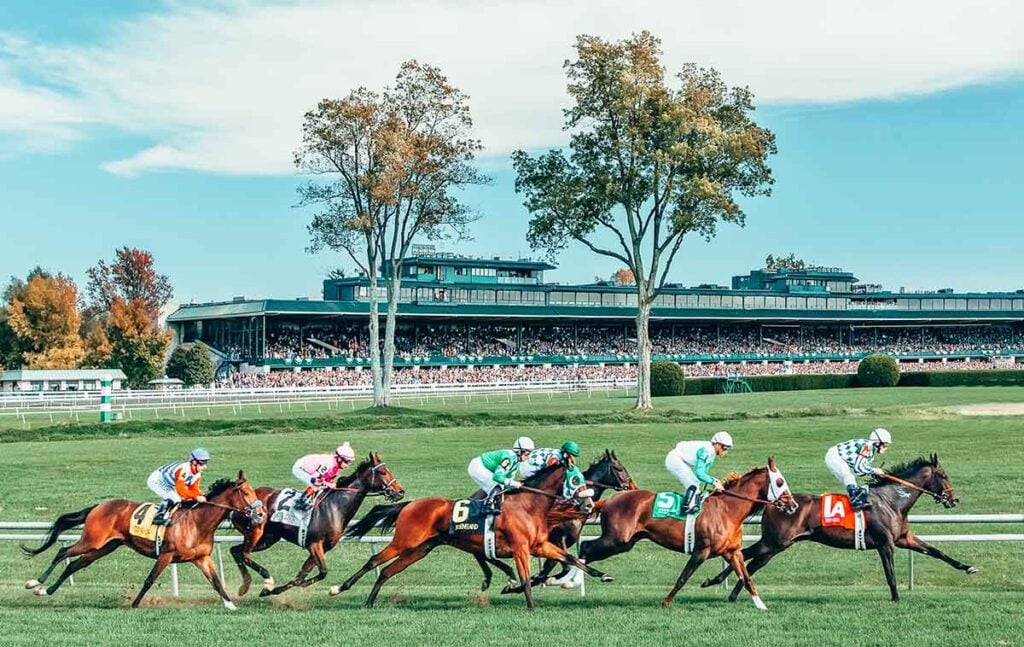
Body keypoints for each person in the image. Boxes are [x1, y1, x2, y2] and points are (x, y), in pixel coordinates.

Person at [664, 432, 733, 513]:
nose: (725, 451)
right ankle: (686, 507)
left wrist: (713, 482)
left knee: (695, 482)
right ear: (717, 444)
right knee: (693, 483)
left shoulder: (712, 454)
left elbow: (703, 474)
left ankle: (691, 503)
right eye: (724, 447)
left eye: (727, 448)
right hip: (674, 459)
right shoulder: (706, 451)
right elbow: (699, 474)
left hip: (682, 460)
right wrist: (714, 482)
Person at [825, 428, 891, 510]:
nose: (886, 448)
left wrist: (873, 473)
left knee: (851, 480)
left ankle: (856, 498)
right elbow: (859, 467)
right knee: (848, 477)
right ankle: (855, 501)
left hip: (836, 456)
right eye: (885, 445)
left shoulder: (870, 452)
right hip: (834, 456)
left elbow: (859, 472)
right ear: (878, 443)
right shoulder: (867, 447)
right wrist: (874, 470)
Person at [468, 436, 534, 514]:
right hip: (478, 466)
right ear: (519, 452)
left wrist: (517, 487)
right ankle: (488, 507)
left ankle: (470, 502)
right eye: (527, 454)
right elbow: (497, 477)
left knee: (497, 487)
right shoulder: (508, 458)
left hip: (485, 468)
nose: (528, 457)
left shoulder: (516, 462)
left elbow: (508, 482)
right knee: (496, 485)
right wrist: (514, 483)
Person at [147, 448, 210, 526]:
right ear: (194, 462)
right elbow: (180, 489)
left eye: (205, 463)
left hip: (168, 484)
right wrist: (196, 497)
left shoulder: (197, 474)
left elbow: (193, 489)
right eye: (201, 464)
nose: (204, 467)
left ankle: (170, 514)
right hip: (157, 480)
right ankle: (158, 517)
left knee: (181, 498)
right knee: (175, 498)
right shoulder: (184, 470)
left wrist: (200, 496)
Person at [291, 442, 355, 511]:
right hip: (300, 468)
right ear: (340, 459)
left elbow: (328, 480)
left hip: (312, 471)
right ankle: (301, 502)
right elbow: (316, 480)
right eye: (347, 462)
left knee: (324, 485)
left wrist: (329, 484)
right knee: (316, 484)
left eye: (349, 462)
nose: (347, 465)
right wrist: (328, 484)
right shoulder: (328, 464)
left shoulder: (336, 466)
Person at [521, 441, 588, 496]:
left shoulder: (561, 455)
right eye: (571, 456)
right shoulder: (554, 457)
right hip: (528, 465)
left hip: (535, 463)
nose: (572, 459)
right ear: (565, 453)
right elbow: (549, 472)